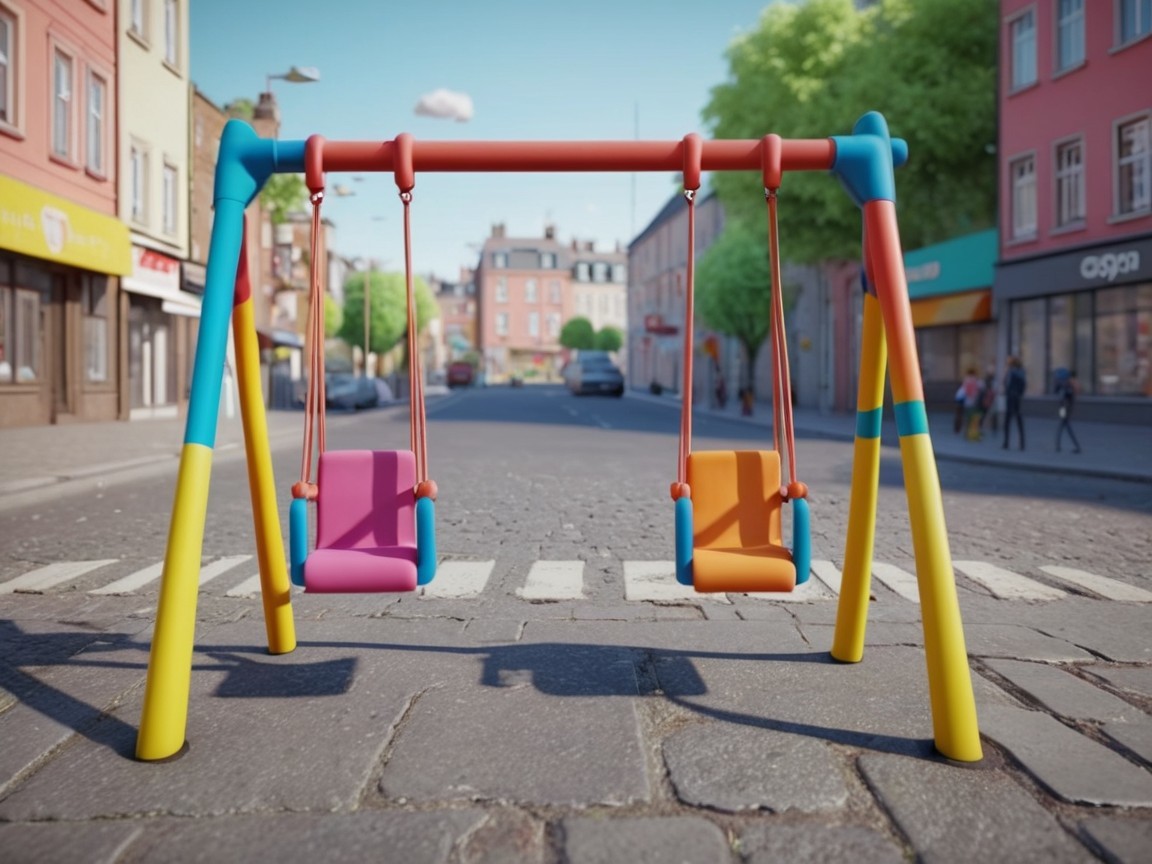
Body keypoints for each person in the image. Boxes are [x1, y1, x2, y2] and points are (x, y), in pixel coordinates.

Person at [1002, 356, 1026, 450]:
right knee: (1019, 419)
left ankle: (1006, 443)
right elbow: (1024, 385)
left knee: (1007, 420)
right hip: (1018, 398)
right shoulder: (1022, 372)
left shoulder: (1010, 372)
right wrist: (1020, 394)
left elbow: (1005, 383)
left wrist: (1007, 391)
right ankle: (1022, 443)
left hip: (1010, 397)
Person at [1054, 369, 1081, 453]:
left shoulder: (1068, 387)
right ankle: (1058, 445)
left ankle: (1076, 446)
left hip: (1066, 408)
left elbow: (1068, 398)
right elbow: (1056, 392)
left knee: (1064, 424)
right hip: (1063, 408)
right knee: (1063, 424)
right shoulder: (1064, 386)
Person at [960, 368, 983, 441]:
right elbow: (982, 387)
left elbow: (963, 390)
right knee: (974, 417)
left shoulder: (966, 380)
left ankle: (966, 432)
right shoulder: (977, 380)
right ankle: (973, 432)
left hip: (967, 401)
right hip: (975, 401)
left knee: (967, 417)